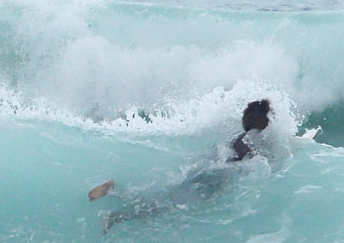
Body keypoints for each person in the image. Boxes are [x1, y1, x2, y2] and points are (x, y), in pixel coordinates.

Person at [87, 99, 273, 230]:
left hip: (204, 170)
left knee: (163, 200)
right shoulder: (255, 136)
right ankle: (115, 212)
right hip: (211, 178)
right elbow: (250, 160)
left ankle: (114, 193)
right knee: (163, 208)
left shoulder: (236, 137)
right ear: (265, 120)